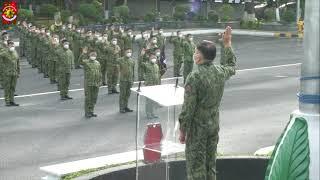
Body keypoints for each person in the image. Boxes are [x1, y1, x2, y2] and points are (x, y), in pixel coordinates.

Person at [179, 26, 236, 180]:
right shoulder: (219, 71)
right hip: (213, 124)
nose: (194, 54)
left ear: (200, 57)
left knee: (196, 167)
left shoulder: (194, 77)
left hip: (198, 128)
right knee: (210, 164)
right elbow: (231, 66)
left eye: (196, 52)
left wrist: (183, 130)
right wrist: (227, 43)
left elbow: (188, 108)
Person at [1, 40, 20, 106]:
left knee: (12, 87)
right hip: (7, 73)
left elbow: (18, 62)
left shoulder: (15, 52)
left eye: (13, 45)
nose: (12, 46)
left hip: (14, 73)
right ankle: (7, 102)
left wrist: (18, 72)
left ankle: (12, 101)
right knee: (7, 88)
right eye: (11, 45)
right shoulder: (4, 53)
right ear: (8, 46)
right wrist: (3, 70)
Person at [82, 51, 101, 118]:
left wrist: (100, 82)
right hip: (89, 83)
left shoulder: (97, 63)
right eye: (92, 55)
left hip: (96, 83)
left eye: (94, 55)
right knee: (88, 99)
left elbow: (99, 73)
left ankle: (91, 111)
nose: (93, 56)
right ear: (89, 56)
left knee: (94, 98)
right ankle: (87, 113)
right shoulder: (86, 62)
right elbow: (79, 62)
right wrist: (83, 54)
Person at [143, 53, 161, 119]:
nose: (154, 59)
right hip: (149, 85)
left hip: (155, 85)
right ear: (149, 59)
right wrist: (142, 55)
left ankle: (152, 113)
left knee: (153, 100)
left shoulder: (156, 66)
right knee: (148, 101)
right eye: (152, 58)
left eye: (155, 58)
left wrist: (158, 84)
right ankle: (148, 113)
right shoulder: (147, 65)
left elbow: (158, 75)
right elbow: (141, 63)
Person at [118, 48, 135, 113]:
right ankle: (121, 108)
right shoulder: (120, 60)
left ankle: (126, 106)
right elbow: (115, 62)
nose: (129, 53)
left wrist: (133, 79)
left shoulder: (132, 61)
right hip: (123, 80)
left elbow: (133, 70)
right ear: (125, 53)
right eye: (128, 52)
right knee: (122, 94)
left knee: (128, 94)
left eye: (130, 52)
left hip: (130, 80)